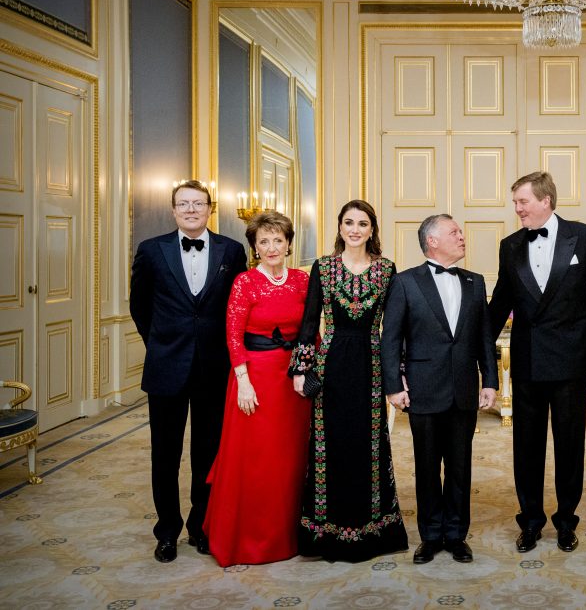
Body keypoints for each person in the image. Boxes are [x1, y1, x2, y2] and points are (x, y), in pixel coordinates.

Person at [488, 171, 586, 554]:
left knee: (569, 446)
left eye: (522, 202)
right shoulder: (510, 245)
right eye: (515, 202)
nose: (517, 209)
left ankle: (566, 521)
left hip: (570, 361)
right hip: (528, 360)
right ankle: (530, 522)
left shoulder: (584, 236)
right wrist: (475, 347)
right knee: (526, 447)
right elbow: (500, 302)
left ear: (546, 200)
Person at [129, 180, 248, 563]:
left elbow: (236, 309)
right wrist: (161, 346)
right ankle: (167, 531)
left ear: (210, 208)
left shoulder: (232, 250)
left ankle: (201, 525)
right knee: (165, 454)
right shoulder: (151, 250)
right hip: (166, 367)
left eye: (199, 203)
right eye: (184, 204)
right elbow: (139, 307)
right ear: (174, 209)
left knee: (207, 453)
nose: (192, 210)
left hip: (214, 368)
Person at [289, 200, 409, 562]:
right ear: (339, 228)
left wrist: (398, 373)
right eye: (348, 223)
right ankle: (326, 532)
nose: (355, 229)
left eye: (362, 223)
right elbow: (309, 323)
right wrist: (300, 369)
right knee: (329, 445)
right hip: (330, 365)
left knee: (369, 446)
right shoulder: (322, 268)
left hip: (372, 365)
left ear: (372, 230)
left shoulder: (387, 270)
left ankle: (372, 529)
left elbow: (396, 330)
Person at [381, 214, 499, 564]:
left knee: (461, 468)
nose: (462, 237)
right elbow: (391, 339)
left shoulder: (475, 282)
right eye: (454, 232)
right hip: (423, 391)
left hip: (463, 390)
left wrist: (490, 381)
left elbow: (483, 339)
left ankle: (456, 535)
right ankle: (430, 537)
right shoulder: (404, 282)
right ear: (432, 241)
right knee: (427, 468)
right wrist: (393, 386)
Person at [203, 211, 311, 566]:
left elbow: (312, 331)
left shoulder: (301, 281)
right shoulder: (245, 282)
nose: (271, 247)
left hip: (292, 381)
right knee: (256, 461)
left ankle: (290, 534)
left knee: (289, 459)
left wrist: (309, 370)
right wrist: (244, 382)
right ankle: (246, 539)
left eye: (278, 240)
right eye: (263, 241)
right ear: (254, 247)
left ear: (289, 244)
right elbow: (233, 336)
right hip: (254, 381)